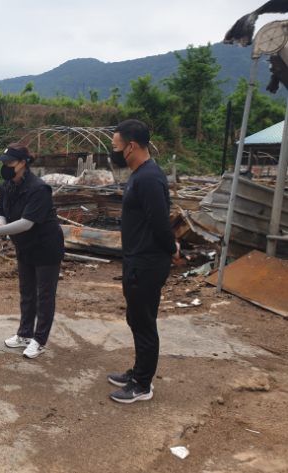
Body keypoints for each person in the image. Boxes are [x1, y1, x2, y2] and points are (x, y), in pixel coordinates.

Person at [106, 119, 186, 404]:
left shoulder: (150, 177)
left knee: (144, 322)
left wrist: (173, 250)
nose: (113, 152)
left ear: (131, 146)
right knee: (135, 318)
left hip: (148, 262)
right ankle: (137, 372)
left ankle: (143, 385)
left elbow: (160, 223)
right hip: (136, 260)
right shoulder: (138, 175)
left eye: (115, 147)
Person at [0, 144, 65, 359]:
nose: (5, 167)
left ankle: (40, 340)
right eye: (3, 163)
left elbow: (27, 223)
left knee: (44, 295)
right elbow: (0, 211)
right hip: (24, 246)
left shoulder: (38, 188)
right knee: (27, 292)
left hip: (46, 247)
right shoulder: (7, 185)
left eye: (9, 163)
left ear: (22, 163)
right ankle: (24, 334)